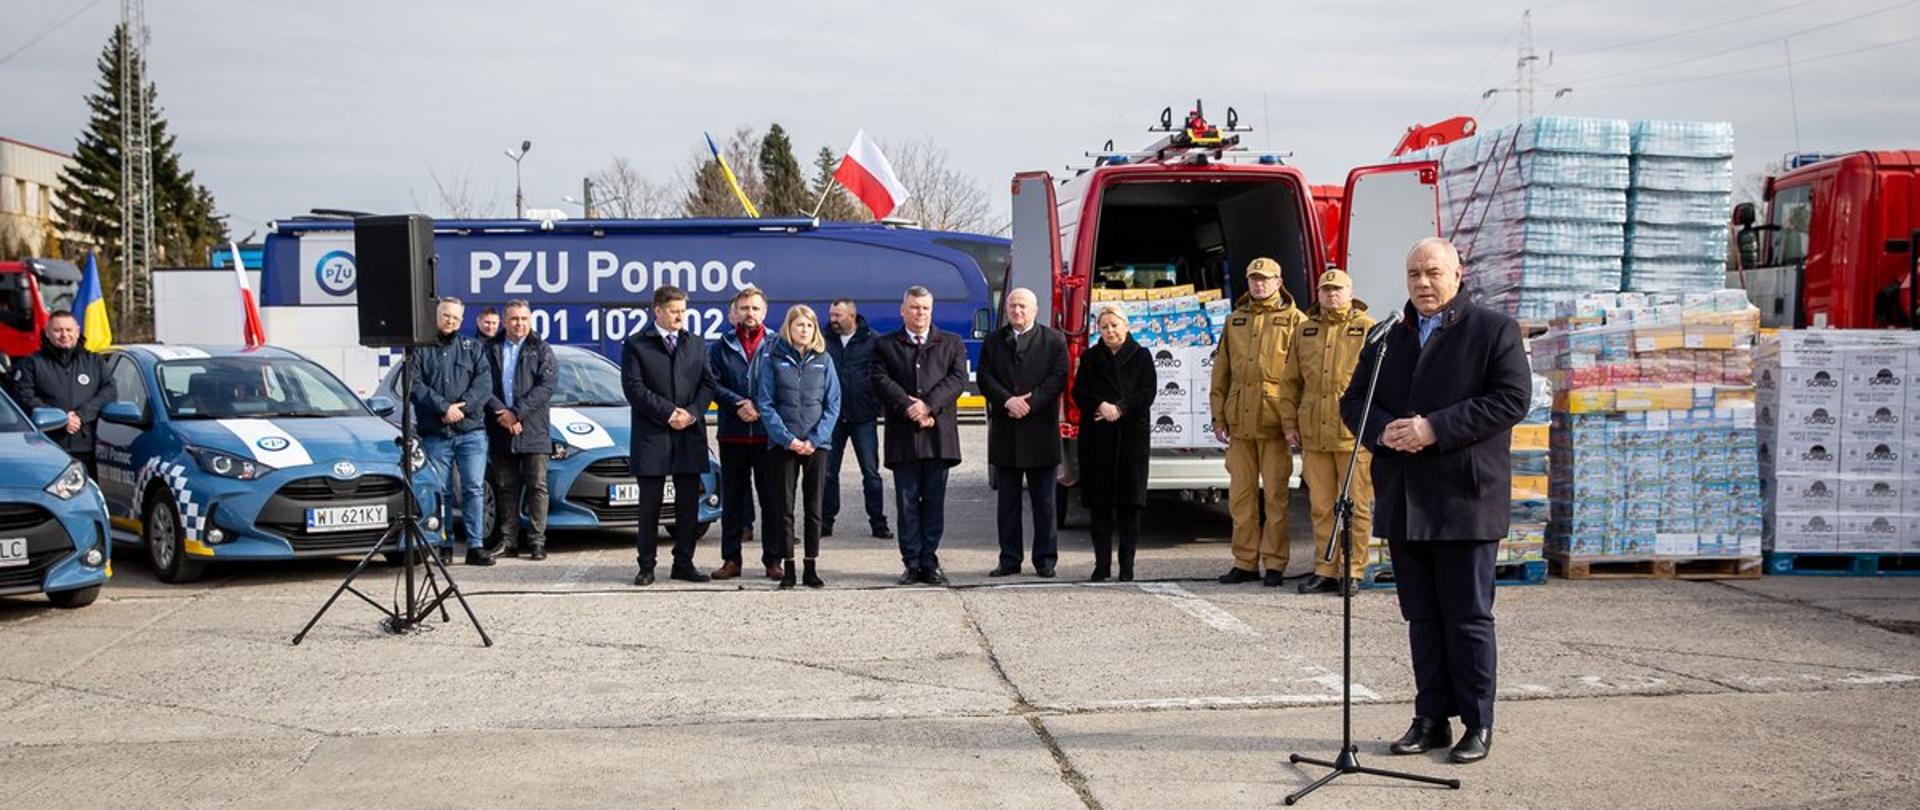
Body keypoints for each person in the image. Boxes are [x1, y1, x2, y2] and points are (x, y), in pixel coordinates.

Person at [1341, 237, 1530, 766]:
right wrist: (1386, 432)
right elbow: (1353, 401)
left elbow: (1512, 399)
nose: (1423, 284)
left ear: (1458, 273)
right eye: (1414, 275)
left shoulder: (1492, 330)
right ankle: (1431, 719)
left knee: (1467, 617)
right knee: (1421, 617)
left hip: (1465, 498)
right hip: (1406, 499)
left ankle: (1477, 722)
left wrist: (1433, 428)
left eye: (1433, 273)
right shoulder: (1386, 338)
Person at [1278, 269, 1376, 595]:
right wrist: (1290, 425)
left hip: (1352, 436)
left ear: (1350, 292)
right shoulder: (1305, 330)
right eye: (1326, 289)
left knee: (1354, 507)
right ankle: (1325, 568)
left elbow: (1383, 383)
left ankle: (1353, 570)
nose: (1331, 294)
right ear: (1317, 293)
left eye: (1338, 289)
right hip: (1314, 435)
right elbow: (1290, 382)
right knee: (1321, 507)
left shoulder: (1367, 329)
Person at [1209, 257, 1306, 587]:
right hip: (1240, 424)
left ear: (1279, 281)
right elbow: (1221, 373)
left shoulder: (1296, 321)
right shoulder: (1235, 320)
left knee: (1276, 498)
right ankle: (1245, 561)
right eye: (1253, 279)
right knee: (1240, 498)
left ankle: (1276, 563)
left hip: (1276, 423)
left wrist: (1296, 423)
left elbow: (1303, 377)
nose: (1258, 284)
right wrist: (1218, 416)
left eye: (1265, 279)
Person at [870, 285, 967, 586]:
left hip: (938, 437)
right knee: (907, 502)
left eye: (925, 308)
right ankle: (911, 562)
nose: (919, 313)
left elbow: (957, 378)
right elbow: (879, 378)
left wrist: (928, 406)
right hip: (904, 437)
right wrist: (907, 406)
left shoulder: (951, 343)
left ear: (932, 310)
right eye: (914, 307)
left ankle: (929, 561)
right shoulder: (885, 345)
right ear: (903, 310)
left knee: (934, 502)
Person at [621, 285, 716, 586]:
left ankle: (684, 563)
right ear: (657, 311)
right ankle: (646, 566)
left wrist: (691, 413)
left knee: (688, 504)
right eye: (674, 311)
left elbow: (708, 384)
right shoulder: (637, 345)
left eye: (683, 311)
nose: (680, 317)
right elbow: (634, 388)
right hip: (653, 435)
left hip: (689, 434)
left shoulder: (696, 344)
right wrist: (668, 413)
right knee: (650, 505)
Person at [979, 288, 1067, 578]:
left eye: (1022, 306)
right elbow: (985, 377)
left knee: (1044, 504)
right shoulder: (994, 341)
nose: (1017, 311)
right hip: (1006, 434)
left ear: (1035, 310)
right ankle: (1009, 559)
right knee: (1007, 505)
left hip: (1040, 433)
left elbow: (1058, 378)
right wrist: (1007, 400)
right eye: (1012, 306)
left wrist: (1029, 403)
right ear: (1006, 309)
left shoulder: (1053, 340)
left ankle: (1045, 561)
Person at [753, 305, 841, 589]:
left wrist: (814, 440)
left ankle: (811, 567)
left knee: (813, 507)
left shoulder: (824, 360)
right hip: (783, 446)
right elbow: (765, 403)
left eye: (809, 326)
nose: (804, 330)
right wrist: (787, 439)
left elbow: (833, 404)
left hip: (817, 445)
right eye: (799, 325)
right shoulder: (773, 359)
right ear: (788, 328)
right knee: (784, 508)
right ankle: (788, 567)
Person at [1071, 306, 1156, 582]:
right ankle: (1101, 565)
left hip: (1131, 438)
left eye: (1114, 325)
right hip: (1098, 439)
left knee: (1130, 505)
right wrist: (1101, 405)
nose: (1110, 331)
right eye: (1104, 326)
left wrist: (1120, 408)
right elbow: (1079, 391)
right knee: (1100, 505)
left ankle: (1127, 567)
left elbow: (1147, 392)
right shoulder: (1091, 357)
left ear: (1126, 326)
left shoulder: (1141, 356)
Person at [410, 297, 495, 566]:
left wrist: (462, 408)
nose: (451, 321)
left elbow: (484, 386)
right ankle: (443, 545)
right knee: (442, 492)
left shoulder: (473, 348)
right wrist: (443, 408)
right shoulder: (420, 349)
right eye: (446, 316)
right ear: (437, 315)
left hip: (471, 432)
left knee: (473, 489)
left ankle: (475, 546)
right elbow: (414, 386)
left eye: (456, 318)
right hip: (437, 432)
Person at [709, 287, 780, 580]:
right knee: (733, 503)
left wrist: (761, 408)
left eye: (755, 308)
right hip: (732, 435)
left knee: (772, 502)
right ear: (734, 312)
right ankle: (731, 560)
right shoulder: (720, 346)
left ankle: (773, 561)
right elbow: (711, 382)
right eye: (744, 308)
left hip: (769, 436)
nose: (749, 313)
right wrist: (737, 402)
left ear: (764, 312)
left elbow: (785, 384)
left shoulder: (778, 344)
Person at [483, 300, 557, 561]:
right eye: (514, 319)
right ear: (505, 320)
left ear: (530, 320)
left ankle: (537, 542)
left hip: (533, 428)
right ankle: (509, 541)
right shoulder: (490, 348)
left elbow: (546, 387)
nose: (519, 323)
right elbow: (482, 384)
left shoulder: (541, 349)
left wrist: (517, 412)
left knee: (537, 486)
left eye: (524, 319)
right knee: (505, 486)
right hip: (501, 428)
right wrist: (502, 413)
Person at [12, 311, 113, 478]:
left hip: (87, 446)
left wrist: (81, 415)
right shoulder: (31, 363)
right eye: (58, 330)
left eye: (68, 329)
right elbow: (24, 397)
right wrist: (60, 419)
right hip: (45, 446)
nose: (64, 335)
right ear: (47, 332)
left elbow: (109, 391)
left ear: (77, 331)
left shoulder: (94, 362)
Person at [823, 298, 890, 540]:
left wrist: (878, 405)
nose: (833, 320)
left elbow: (884, 374)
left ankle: (878, 523)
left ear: (852, 316)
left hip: (863, 416)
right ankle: (825, 522)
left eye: (837, 316)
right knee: (828, 472)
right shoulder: (823, 340)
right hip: (832, 417)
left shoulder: (873, 340)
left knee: (870, 472)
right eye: (831, 315)